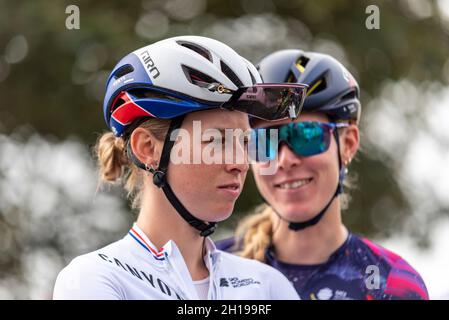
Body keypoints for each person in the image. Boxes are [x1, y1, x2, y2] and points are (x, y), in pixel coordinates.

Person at [52, 37, 307, 300]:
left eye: (244, 141)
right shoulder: (95, 278)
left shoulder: (268, 285)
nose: (240, 163)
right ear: (147, 148)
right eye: (216, 141)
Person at [217, 49, 429, 300]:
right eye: (265, 142)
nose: (285, 160)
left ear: (348, 143)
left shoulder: (392, 285)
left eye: (307, 135)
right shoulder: (209, 269)